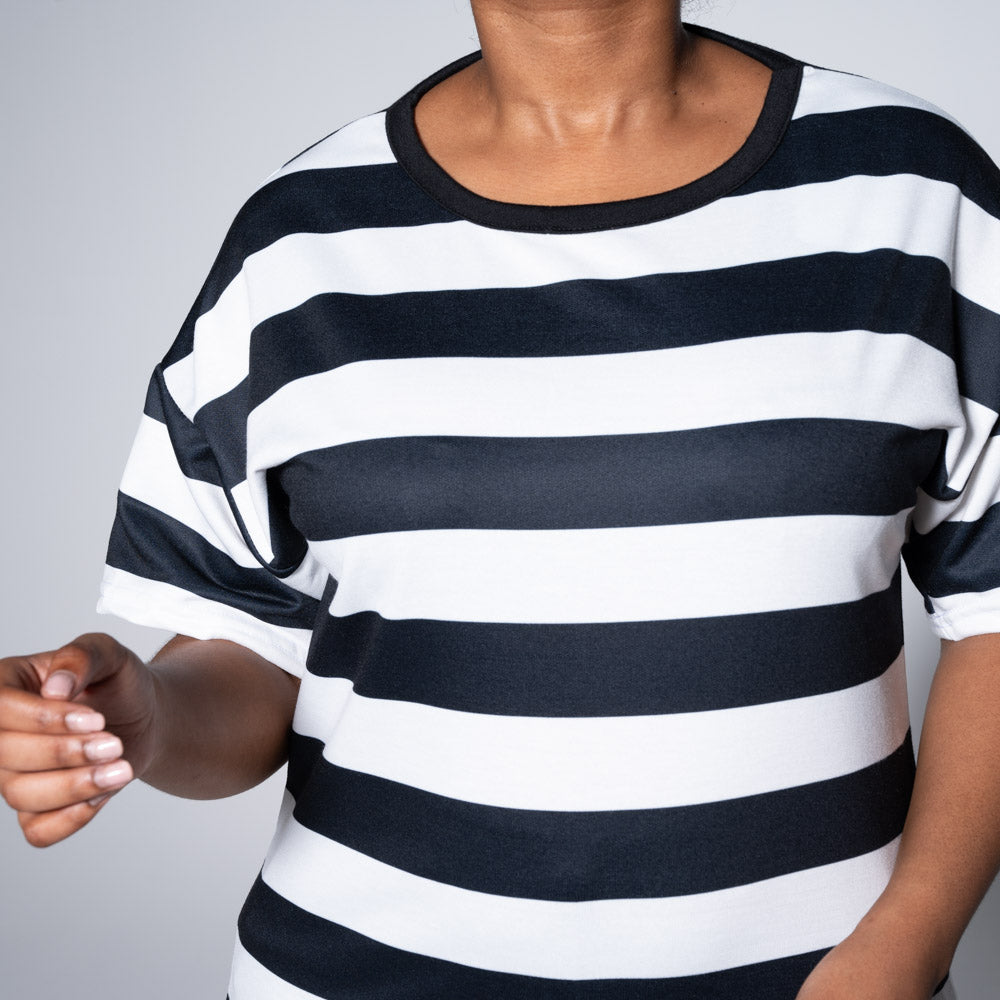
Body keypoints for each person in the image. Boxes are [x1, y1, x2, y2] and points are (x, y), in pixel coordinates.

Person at [1, 2, 999, 997]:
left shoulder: (912, 189)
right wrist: (144, 720)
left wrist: (901, 951)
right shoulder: (296, 242)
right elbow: (257, 648)